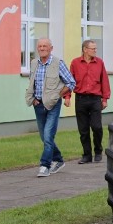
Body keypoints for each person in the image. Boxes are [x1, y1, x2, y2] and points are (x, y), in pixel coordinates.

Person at [25, 38, 75, 177]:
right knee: (44, 136)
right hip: (38, 104)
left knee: (48, 135)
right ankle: (58, 160)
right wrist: (33, 99)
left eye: (45, 46)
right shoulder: (34, 62)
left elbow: (71, 82)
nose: (42, 48)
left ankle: (44, 165)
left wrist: (58, 95)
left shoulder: (58, 63)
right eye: (40, 46)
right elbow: (32, 81)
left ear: (51, 48)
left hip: (53, 104)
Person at [70, 39, 111, 164]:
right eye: (93, 48)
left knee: (97, 127)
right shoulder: (75, 63)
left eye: (95, 48)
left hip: (95, 100)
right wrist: (67, 97)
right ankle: (87, 155)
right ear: (85, 49)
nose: (95, 50)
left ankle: (98, 151)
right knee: (83, 129)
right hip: (80, 99)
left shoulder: (99, 63)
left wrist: (105, 99)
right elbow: (69, 80)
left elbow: (104, 81)